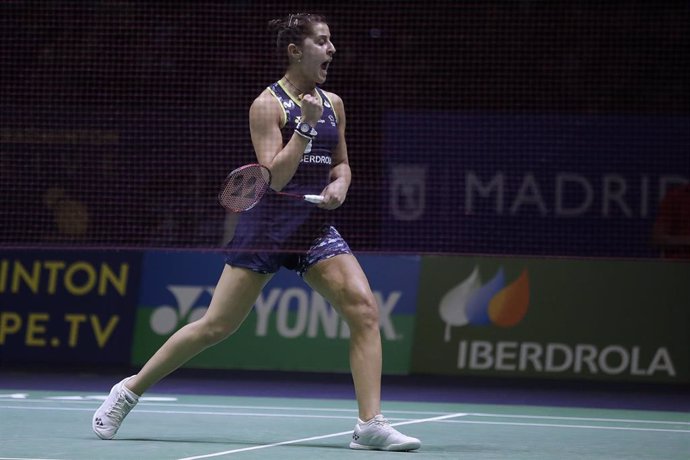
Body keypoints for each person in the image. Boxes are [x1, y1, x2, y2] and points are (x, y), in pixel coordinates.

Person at [92, 13, 421, 452]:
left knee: (363, 309)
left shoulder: (335, 103)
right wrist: (303, 127)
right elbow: (275, 178)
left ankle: (370, 424)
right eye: (322, 42)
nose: (332, 49)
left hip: (314, 227)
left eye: (331, 41)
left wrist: (339, 186)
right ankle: (128, 391)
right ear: (295, 50)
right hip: (267, 227)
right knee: (216, 326)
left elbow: (341, 162)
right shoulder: (267, 105)